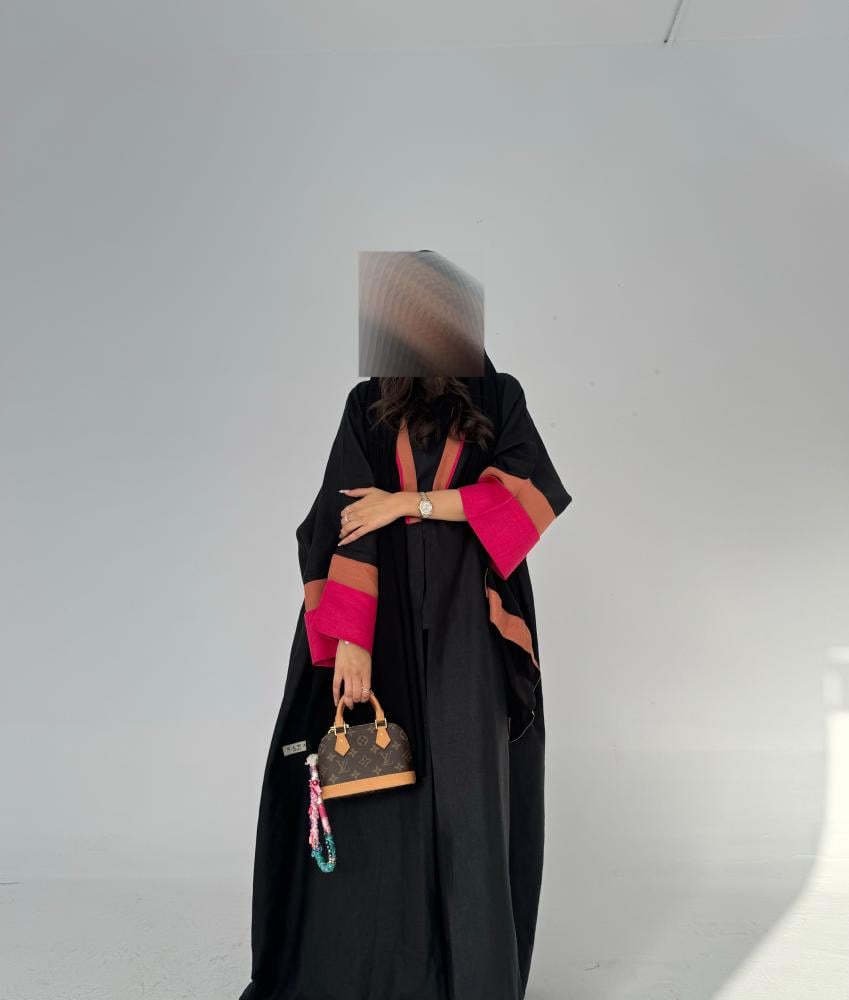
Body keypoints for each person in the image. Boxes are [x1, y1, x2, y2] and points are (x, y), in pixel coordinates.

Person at [238, 350, 572, 1000]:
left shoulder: (498, 395)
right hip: (380, 618)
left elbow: (522, 500)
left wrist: (404, 504)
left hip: (467, 624)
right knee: (381, 803)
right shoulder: (368, 402)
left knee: (469, 803)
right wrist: (350, 642)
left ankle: (472, 983)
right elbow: (341, 518)